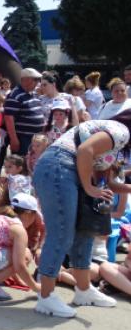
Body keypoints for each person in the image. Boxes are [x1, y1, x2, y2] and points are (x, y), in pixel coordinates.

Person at [31, 111, 131, 317]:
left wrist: (117, 188)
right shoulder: (121, 131)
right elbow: (85, 150)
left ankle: (84, 291)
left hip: (66, 170)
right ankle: (46, 297)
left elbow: (108, 181)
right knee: (62, 234)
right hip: (59, 167)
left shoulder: (115, 141)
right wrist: (89, 187)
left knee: (85, 232)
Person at [3, 68, 44, 156]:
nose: (38, 83)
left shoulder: (33, 93)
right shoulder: (15, 95)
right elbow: (8, 118)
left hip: (35, 138)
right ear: (26, 80)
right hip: (23, 139)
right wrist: (14, 139)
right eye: (36, 80)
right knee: (22, 161)